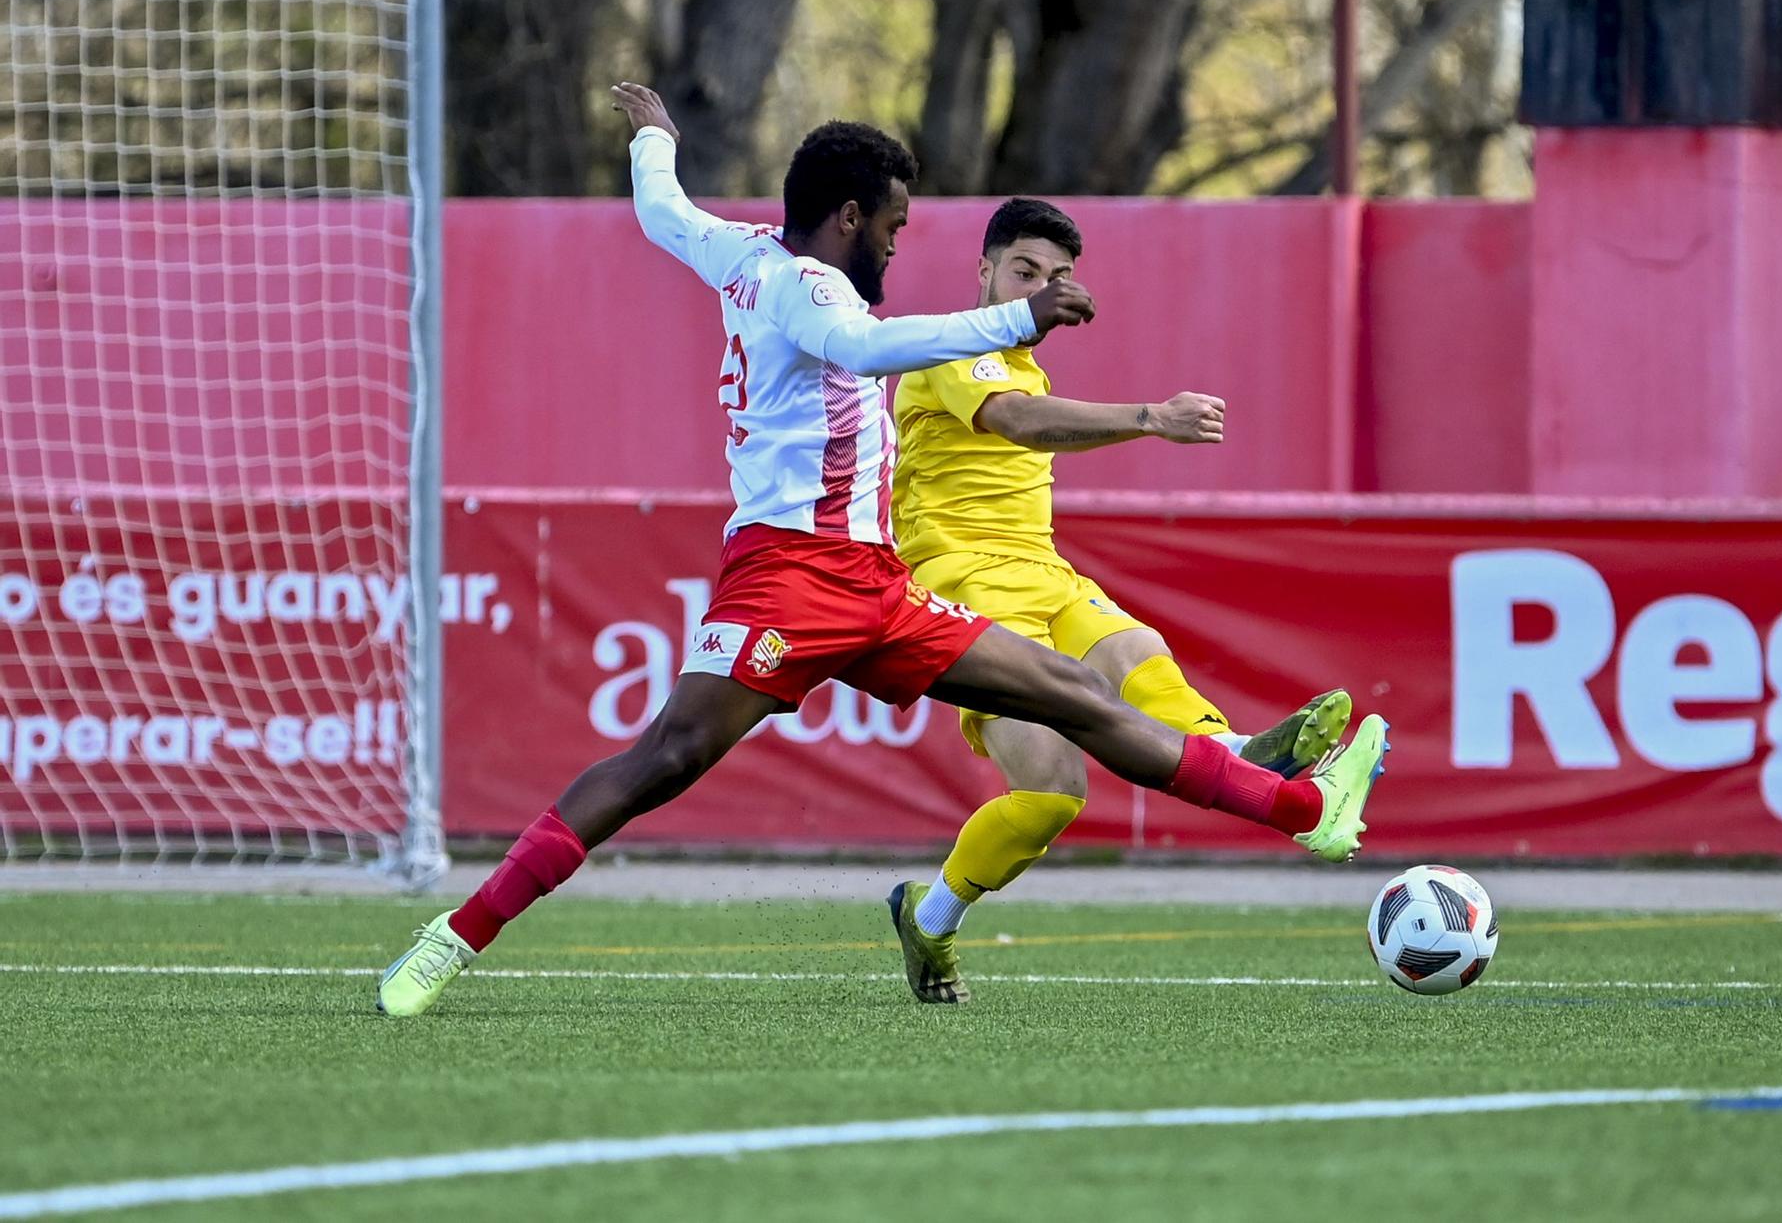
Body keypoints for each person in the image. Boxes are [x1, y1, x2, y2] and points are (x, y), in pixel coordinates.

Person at [374, 84, 1387, 1018]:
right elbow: (865, 348)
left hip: (879, 584)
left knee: (1079, 696)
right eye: (894, 227)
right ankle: (452, 936)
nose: (898, 248)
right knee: (663, 759)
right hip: (785, 579)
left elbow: (661, 212)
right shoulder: (814, 291)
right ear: (850, 216)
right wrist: (1017, 315)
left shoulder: (739, 252)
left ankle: (1302, 808)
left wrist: (654, 141)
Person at [883, 197, 1375, 1004]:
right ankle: (929, 921)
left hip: (1043, 572)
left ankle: (1242, 748)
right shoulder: (952, 343)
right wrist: (1152, 417)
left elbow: (1030, 411)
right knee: (1052, 794)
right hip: (963, 588)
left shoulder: (1024, 362)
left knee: (1135, 648)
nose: (1042, 289)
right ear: (984, 270)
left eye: (1057, 277)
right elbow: (1018, 422)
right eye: (1025, 271)